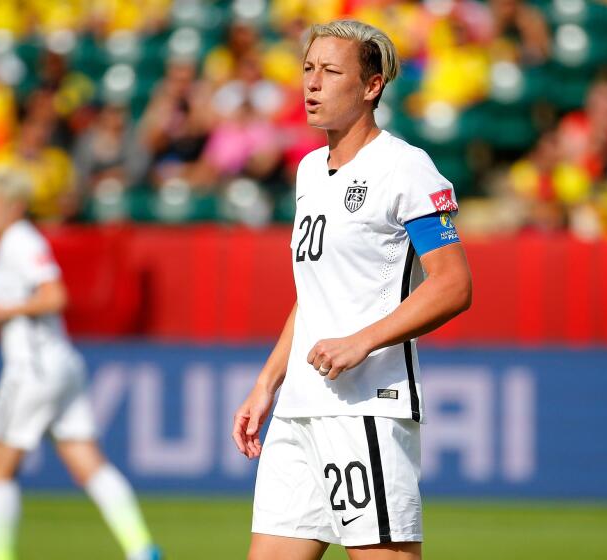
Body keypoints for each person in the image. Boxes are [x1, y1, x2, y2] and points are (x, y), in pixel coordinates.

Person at [232, 20, 473, 560]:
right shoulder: (309, 171)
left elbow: (454, 285)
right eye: (308, 69)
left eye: (331, 71)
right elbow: (313, 294)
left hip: (365, 408)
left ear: (372, 86)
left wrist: (360, 341)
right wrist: (268, 382)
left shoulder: (405, 168)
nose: (312, 84)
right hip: (299, 410)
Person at [0, 164, 161, 560]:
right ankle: (142, 549)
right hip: (60, 363)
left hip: (33, 369)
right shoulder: (12, 245)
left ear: (15, 206)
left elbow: (55, 296)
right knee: (87, 461)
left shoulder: (20, 241)